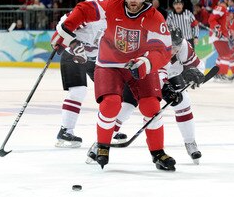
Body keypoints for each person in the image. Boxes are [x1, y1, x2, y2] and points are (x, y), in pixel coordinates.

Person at [51, 0, 175, 171]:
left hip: (138, 64)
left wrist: (146, 63)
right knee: (110, 105)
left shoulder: (154, 16)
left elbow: (163, 50)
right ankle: (102, 146)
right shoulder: (112, 2)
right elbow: (85, 9)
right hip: (109, 64)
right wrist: (67, 29)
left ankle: (158, 152)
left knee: (151, 107)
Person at [87, 27, 206, 165]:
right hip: (145, 76)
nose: (174, 51)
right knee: (125, 109)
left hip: (172, 75)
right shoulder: (156, 46)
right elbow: (155, 76)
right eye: (171, 47)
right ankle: (101, 143)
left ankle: (190, 142)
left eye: (177, 47)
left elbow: (198, 65)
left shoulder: (184, 46)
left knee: (184, 102)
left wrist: (196, 73)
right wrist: (167, 90)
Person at [53, 0, 127, 148]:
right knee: (78, 91)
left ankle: (111, 128)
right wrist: (73, 44)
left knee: (113, 93)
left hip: (95, 58)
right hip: (74, 54)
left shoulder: (118, 14)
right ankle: (66, 131)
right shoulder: (92, 9)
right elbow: (62, 25)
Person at [208, 0, 232, 81]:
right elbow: (211, 19)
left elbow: (224, 25)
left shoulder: (225, 10)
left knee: (222, 55)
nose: (229, 1)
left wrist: (228, 34)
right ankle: (222, 74)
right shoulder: (221, 7)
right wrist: (217, 29)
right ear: (225, 0)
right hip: (218, 35)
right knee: (226, 55)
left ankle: (217, 74)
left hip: (221, 36)